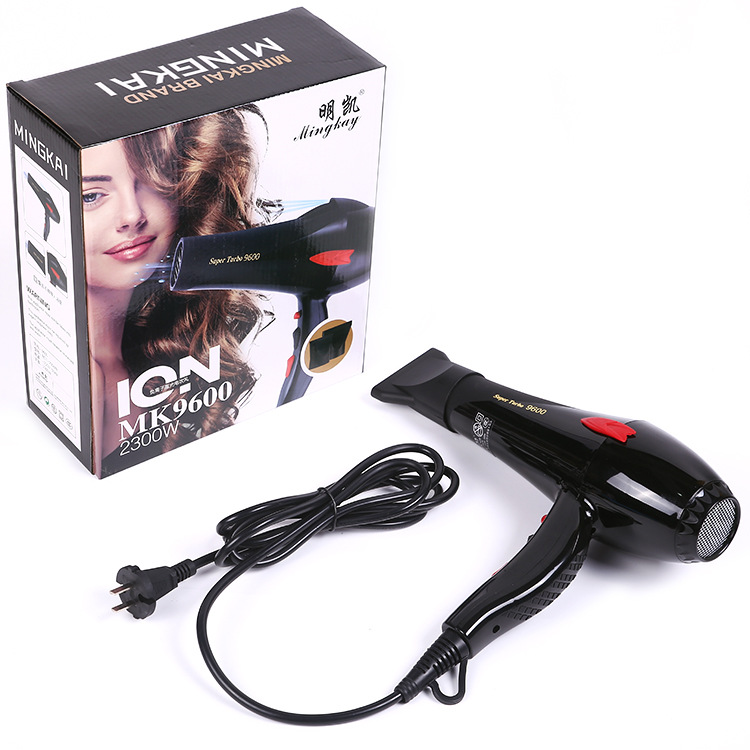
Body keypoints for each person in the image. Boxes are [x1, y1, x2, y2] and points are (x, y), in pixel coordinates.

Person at [82, 105, 275, 476]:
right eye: (92, 196)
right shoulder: (89, 377)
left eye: (153, 183)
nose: (132, 215)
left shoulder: (153, 348)